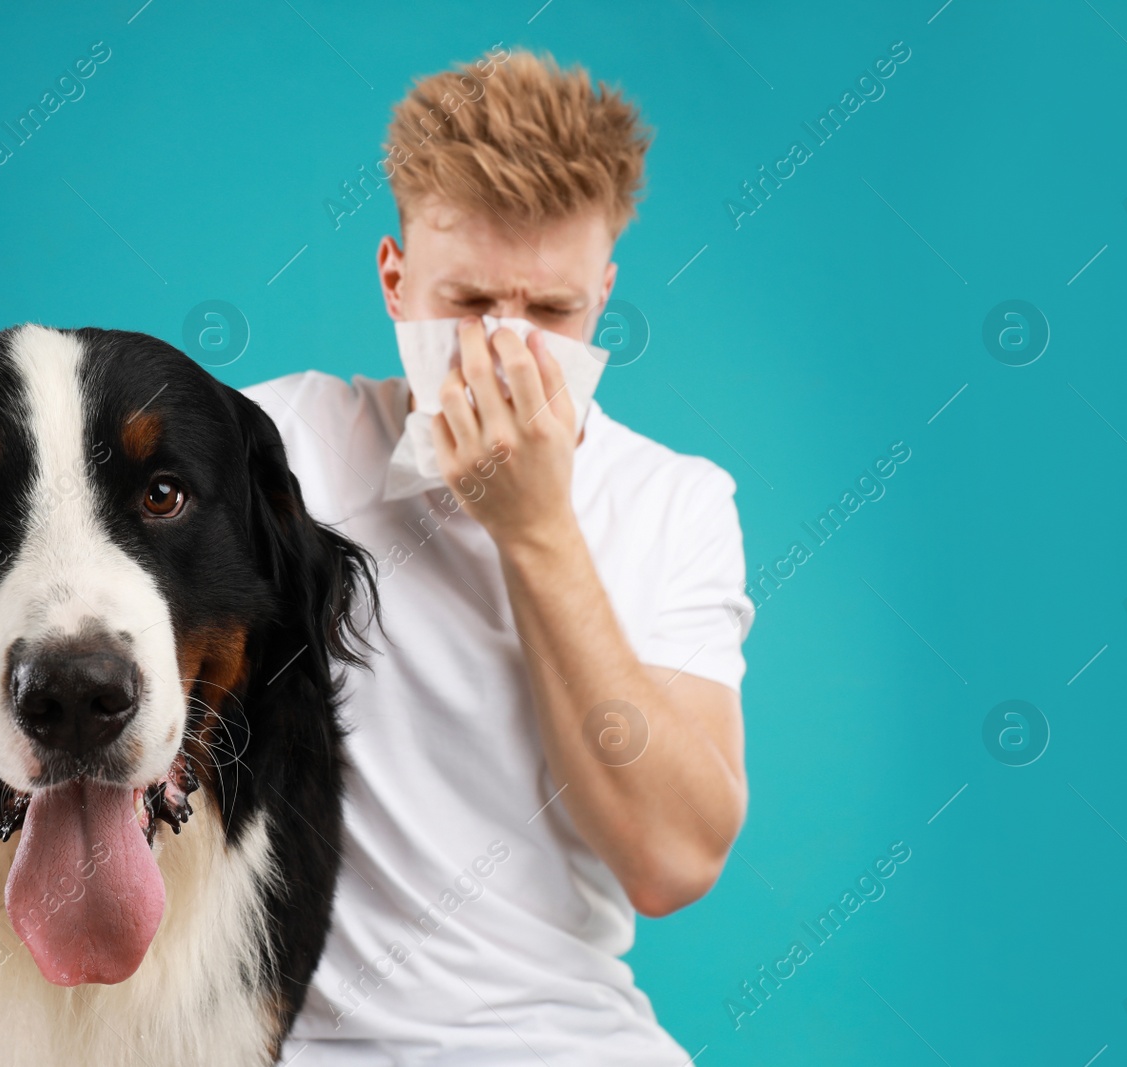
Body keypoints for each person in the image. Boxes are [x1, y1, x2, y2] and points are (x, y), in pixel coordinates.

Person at [244, 47, 753, 1066]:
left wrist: (536, 528)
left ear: (603, 294)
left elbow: (672, 859)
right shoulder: (284, 444)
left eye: (554, 312)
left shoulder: (673, 502)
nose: (507, 351)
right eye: (469, 303)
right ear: (394, 280)